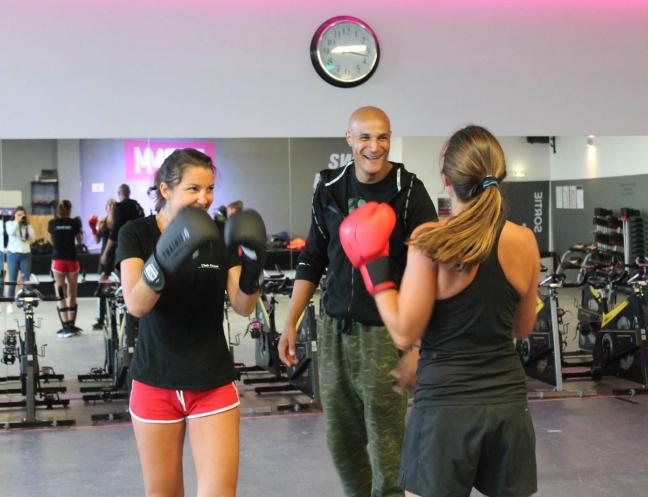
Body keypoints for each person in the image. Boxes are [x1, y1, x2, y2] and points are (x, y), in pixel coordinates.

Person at [339, 125, 540, 497]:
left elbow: (403, 332)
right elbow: (523, 327)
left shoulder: (431, 241)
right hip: (508, 406)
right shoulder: (525, 241)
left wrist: (374, 266)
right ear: (500, 177)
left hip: (445, 409)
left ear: (447, 182)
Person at [278, 106, 437, 497]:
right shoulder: (329, 188)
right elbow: (313, 258)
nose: (374, 146)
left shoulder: (410, 190)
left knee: (388, 445)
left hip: (386, 333)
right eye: (364, 137)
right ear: (349, 139)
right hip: (334, 331)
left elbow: (432, 270)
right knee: (341, 440)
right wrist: (291, 322)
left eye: (382, 137)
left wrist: (418, 345)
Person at [117, 148, 265, 497]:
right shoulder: (135, 233)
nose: (205, 198)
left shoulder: (220, 233)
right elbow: (136, 304)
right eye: (193, 189)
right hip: (156, 381)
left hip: (211, 381)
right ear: (165, 189)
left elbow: (243, 306)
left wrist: (254, 267)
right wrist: (166, 258)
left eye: (210, 188)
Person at [48, 199, 84, 338]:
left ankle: (65, 326)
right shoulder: (74, 223)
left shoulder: (52, 223)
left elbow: (52, 241)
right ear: (69, 210)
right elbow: (80, 241)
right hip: (72, 261)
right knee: (72, 294)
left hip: (58, 261)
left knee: (60, 293)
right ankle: (71, 325)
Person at [100, 183, 144, 266]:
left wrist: (106, 252)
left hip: (125, 249)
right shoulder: (137, 206)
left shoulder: (120, 207)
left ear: (119, 193)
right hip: (139, 249)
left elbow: (115, 231)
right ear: (129, 192)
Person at [4, 206, 36, 313]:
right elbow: (11, 233)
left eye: (22, 215)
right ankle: (9, 303)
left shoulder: (27, 225)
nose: (21, 217)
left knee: (26, 281)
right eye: (18, 215)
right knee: (12, 280)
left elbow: (32, 238)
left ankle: (28, 304)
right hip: (12, 255)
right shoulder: (9, 224)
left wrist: (26, 225)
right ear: (14, 215)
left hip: (25, 255)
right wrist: (17, 222)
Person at [90, 197, 116, 330]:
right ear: (106, 208)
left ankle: (116, 316)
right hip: (105, 258)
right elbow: (96, 240)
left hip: (115, 257)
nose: (111, 207)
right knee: (101, 287)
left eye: (113, 205)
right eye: (109, 205)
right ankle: (101, 318)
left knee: (115, 288)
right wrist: (93, 229)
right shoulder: (103, 222)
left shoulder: (118, 222)